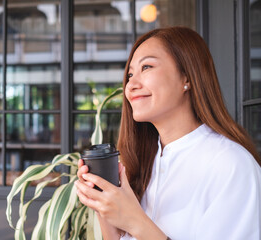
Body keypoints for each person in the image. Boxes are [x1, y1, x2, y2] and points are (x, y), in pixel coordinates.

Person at [74, 26, 261, 240]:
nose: (130, 85)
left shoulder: (232, 166)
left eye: (147, 67)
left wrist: (135, 220)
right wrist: (104, 207)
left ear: (187, 78)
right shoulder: (143, 162)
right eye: (130, 74)